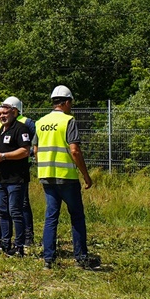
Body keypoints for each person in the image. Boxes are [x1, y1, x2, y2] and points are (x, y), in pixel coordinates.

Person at [37, 85, 96, 269]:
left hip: (46, 176)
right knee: (77, 216)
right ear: (66, 102)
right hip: (66, 177)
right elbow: (74, 150)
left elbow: (36, 151)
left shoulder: (40, 122)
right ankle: (81, 258)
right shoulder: (68, 121)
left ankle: (48, 260)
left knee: (51, 217)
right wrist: (86, 175)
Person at [0, 99, 33, 256]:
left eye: (5, 113)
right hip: (2, 179)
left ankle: (19, 247)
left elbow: (25, 151)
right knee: (2, 212)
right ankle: (5, 244)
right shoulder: (1, 130)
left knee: (15, 212)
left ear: (13, 112)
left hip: (16, 179)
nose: (2, 116)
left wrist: (3, 156)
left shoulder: (21, 128)